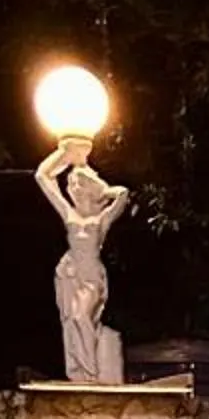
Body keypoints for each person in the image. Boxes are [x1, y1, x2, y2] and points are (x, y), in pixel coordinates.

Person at [35, 138, 131, 384]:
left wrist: (103, 190)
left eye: (79, 185)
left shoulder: (101, 219)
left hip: (91, 277)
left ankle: (91, 375)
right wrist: (64, 155)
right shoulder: (69, 214)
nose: (74, 189)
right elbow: (42, 176)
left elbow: (122, 194)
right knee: (71, 322)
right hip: (71, 272)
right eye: (73, 185)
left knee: (81, 317)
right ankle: (79, 373)